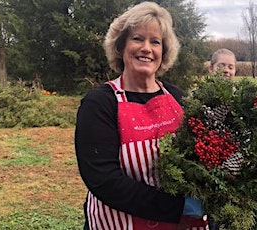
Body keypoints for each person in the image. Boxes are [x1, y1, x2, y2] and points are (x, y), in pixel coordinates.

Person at [75, 2, 207, 229]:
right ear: (121, 47)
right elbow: (104, 180)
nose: (147, 48)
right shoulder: (100, 102)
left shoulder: (178, 98)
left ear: (163, 52)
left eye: (155, 42)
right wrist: (180, 207)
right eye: (137, 39)